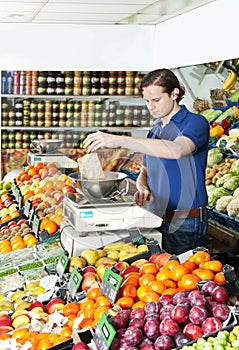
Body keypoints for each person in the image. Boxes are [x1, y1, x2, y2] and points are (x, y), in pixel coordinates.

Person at [83, 68, 210, 255]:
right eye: (147, 101)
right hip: (154, 217)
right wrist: (143, 188)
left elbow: (176, 150)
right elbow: (144, 171)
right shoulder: (155, 130)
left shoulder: (195, 122)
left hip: (184, 223)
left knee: (183, 279)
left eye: (156, 100)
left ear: (174, 93)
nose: (151, 106)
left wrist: (119, 139)